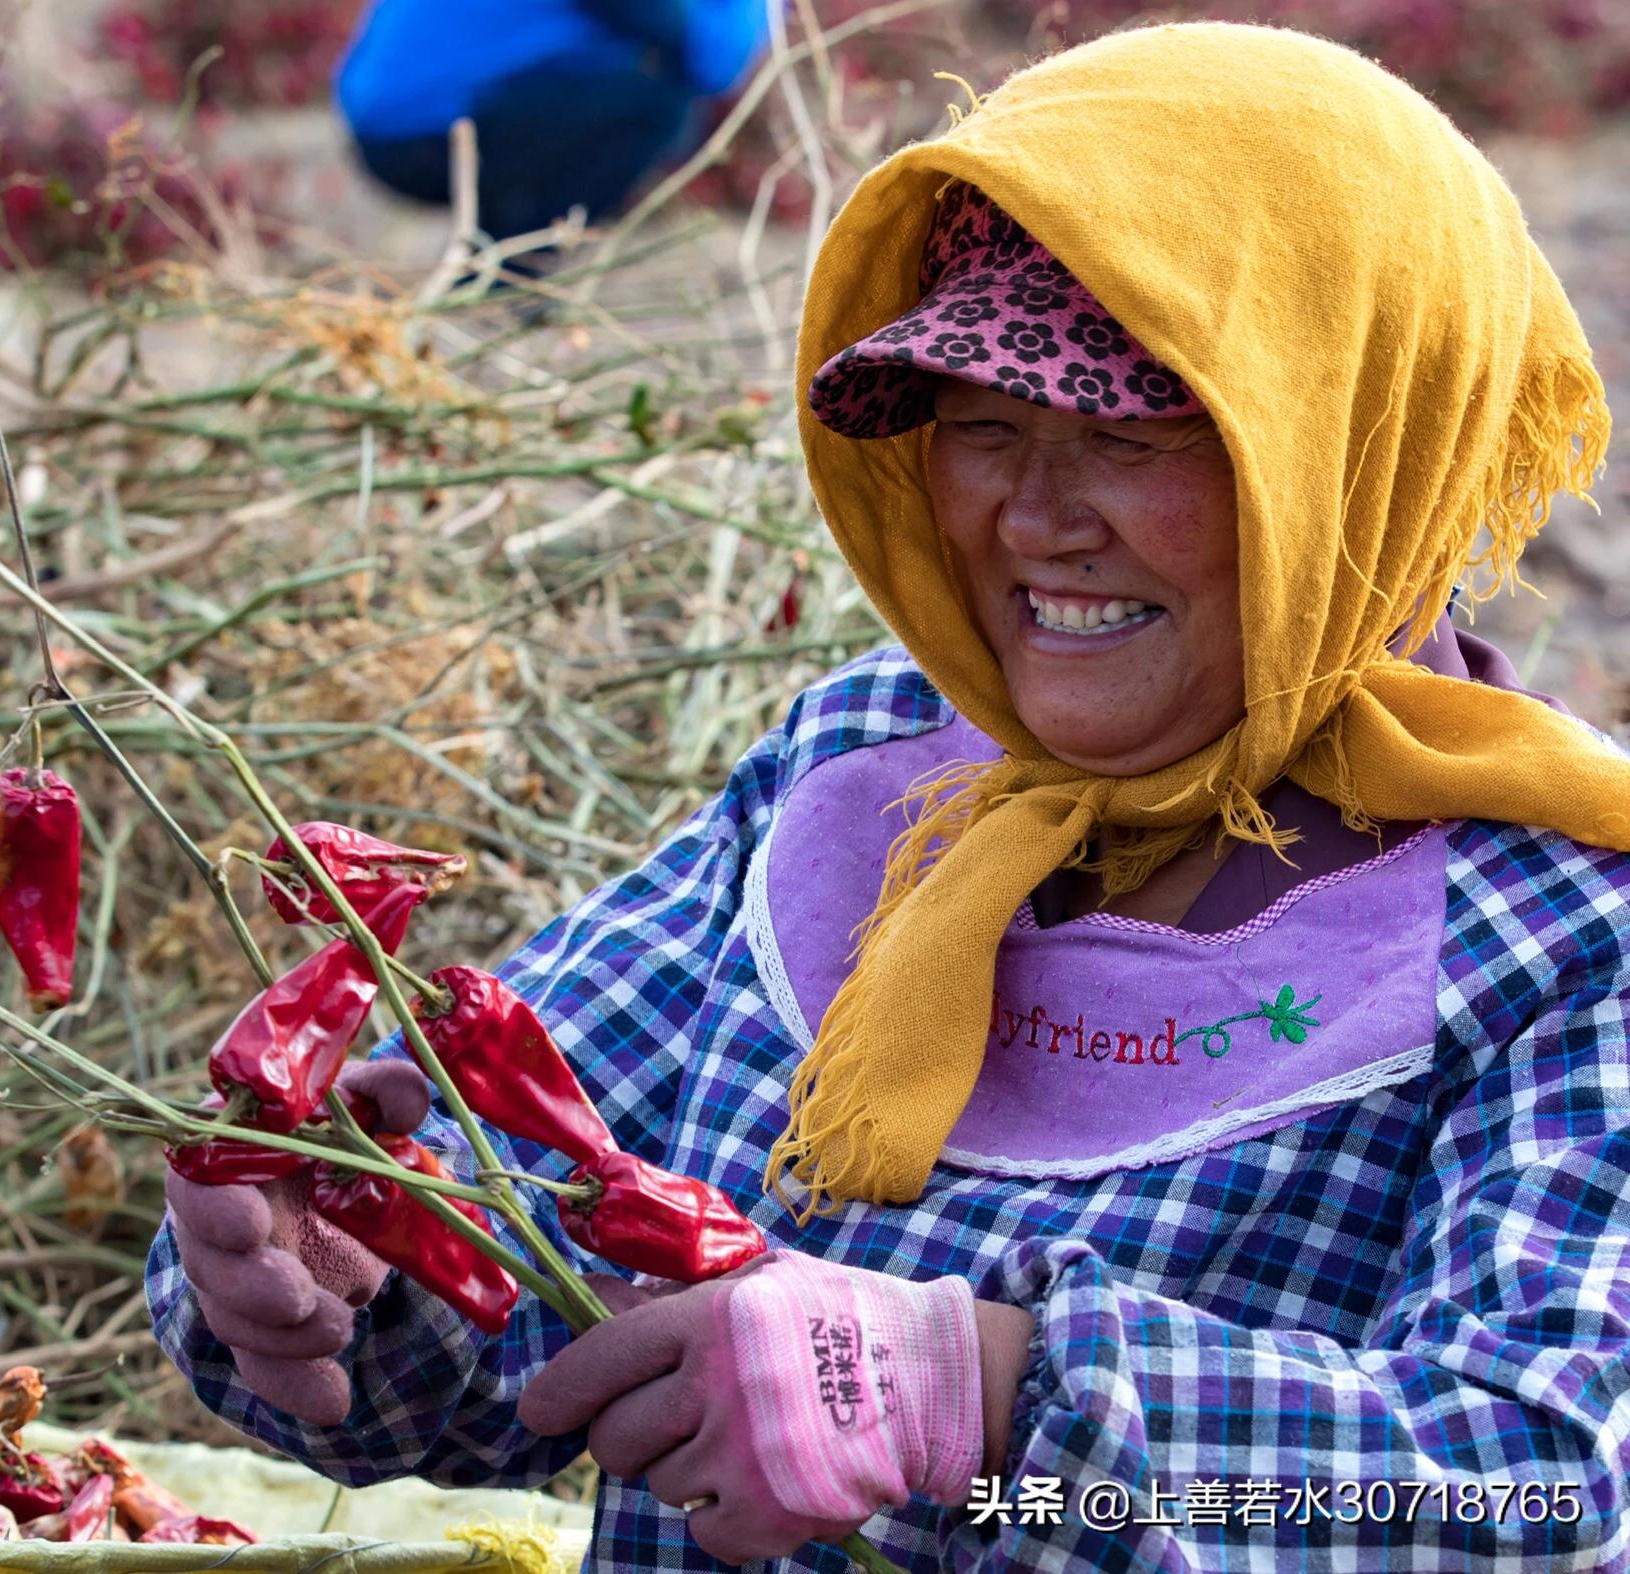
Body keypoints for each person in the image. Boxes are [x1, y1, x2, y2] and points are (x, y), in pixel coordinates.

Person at [150, 22, 1630, 1571]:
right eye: (982, 425)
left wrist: (977, 1397)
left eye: (1132, 432)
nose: (1037, 517)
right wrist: (351, 1269)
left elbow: (1530, 1484)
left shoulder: (1560, 928)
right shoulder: (868, 765)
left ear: (1356, 448)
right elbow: (500, 1354)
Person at [334, 0, 772, 243]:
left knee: (635, 84)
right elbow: (713, 62)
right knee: (660, 107)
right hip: (422, 137)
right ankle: (507, 268)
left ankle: (498, 255)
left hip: (387, 121)